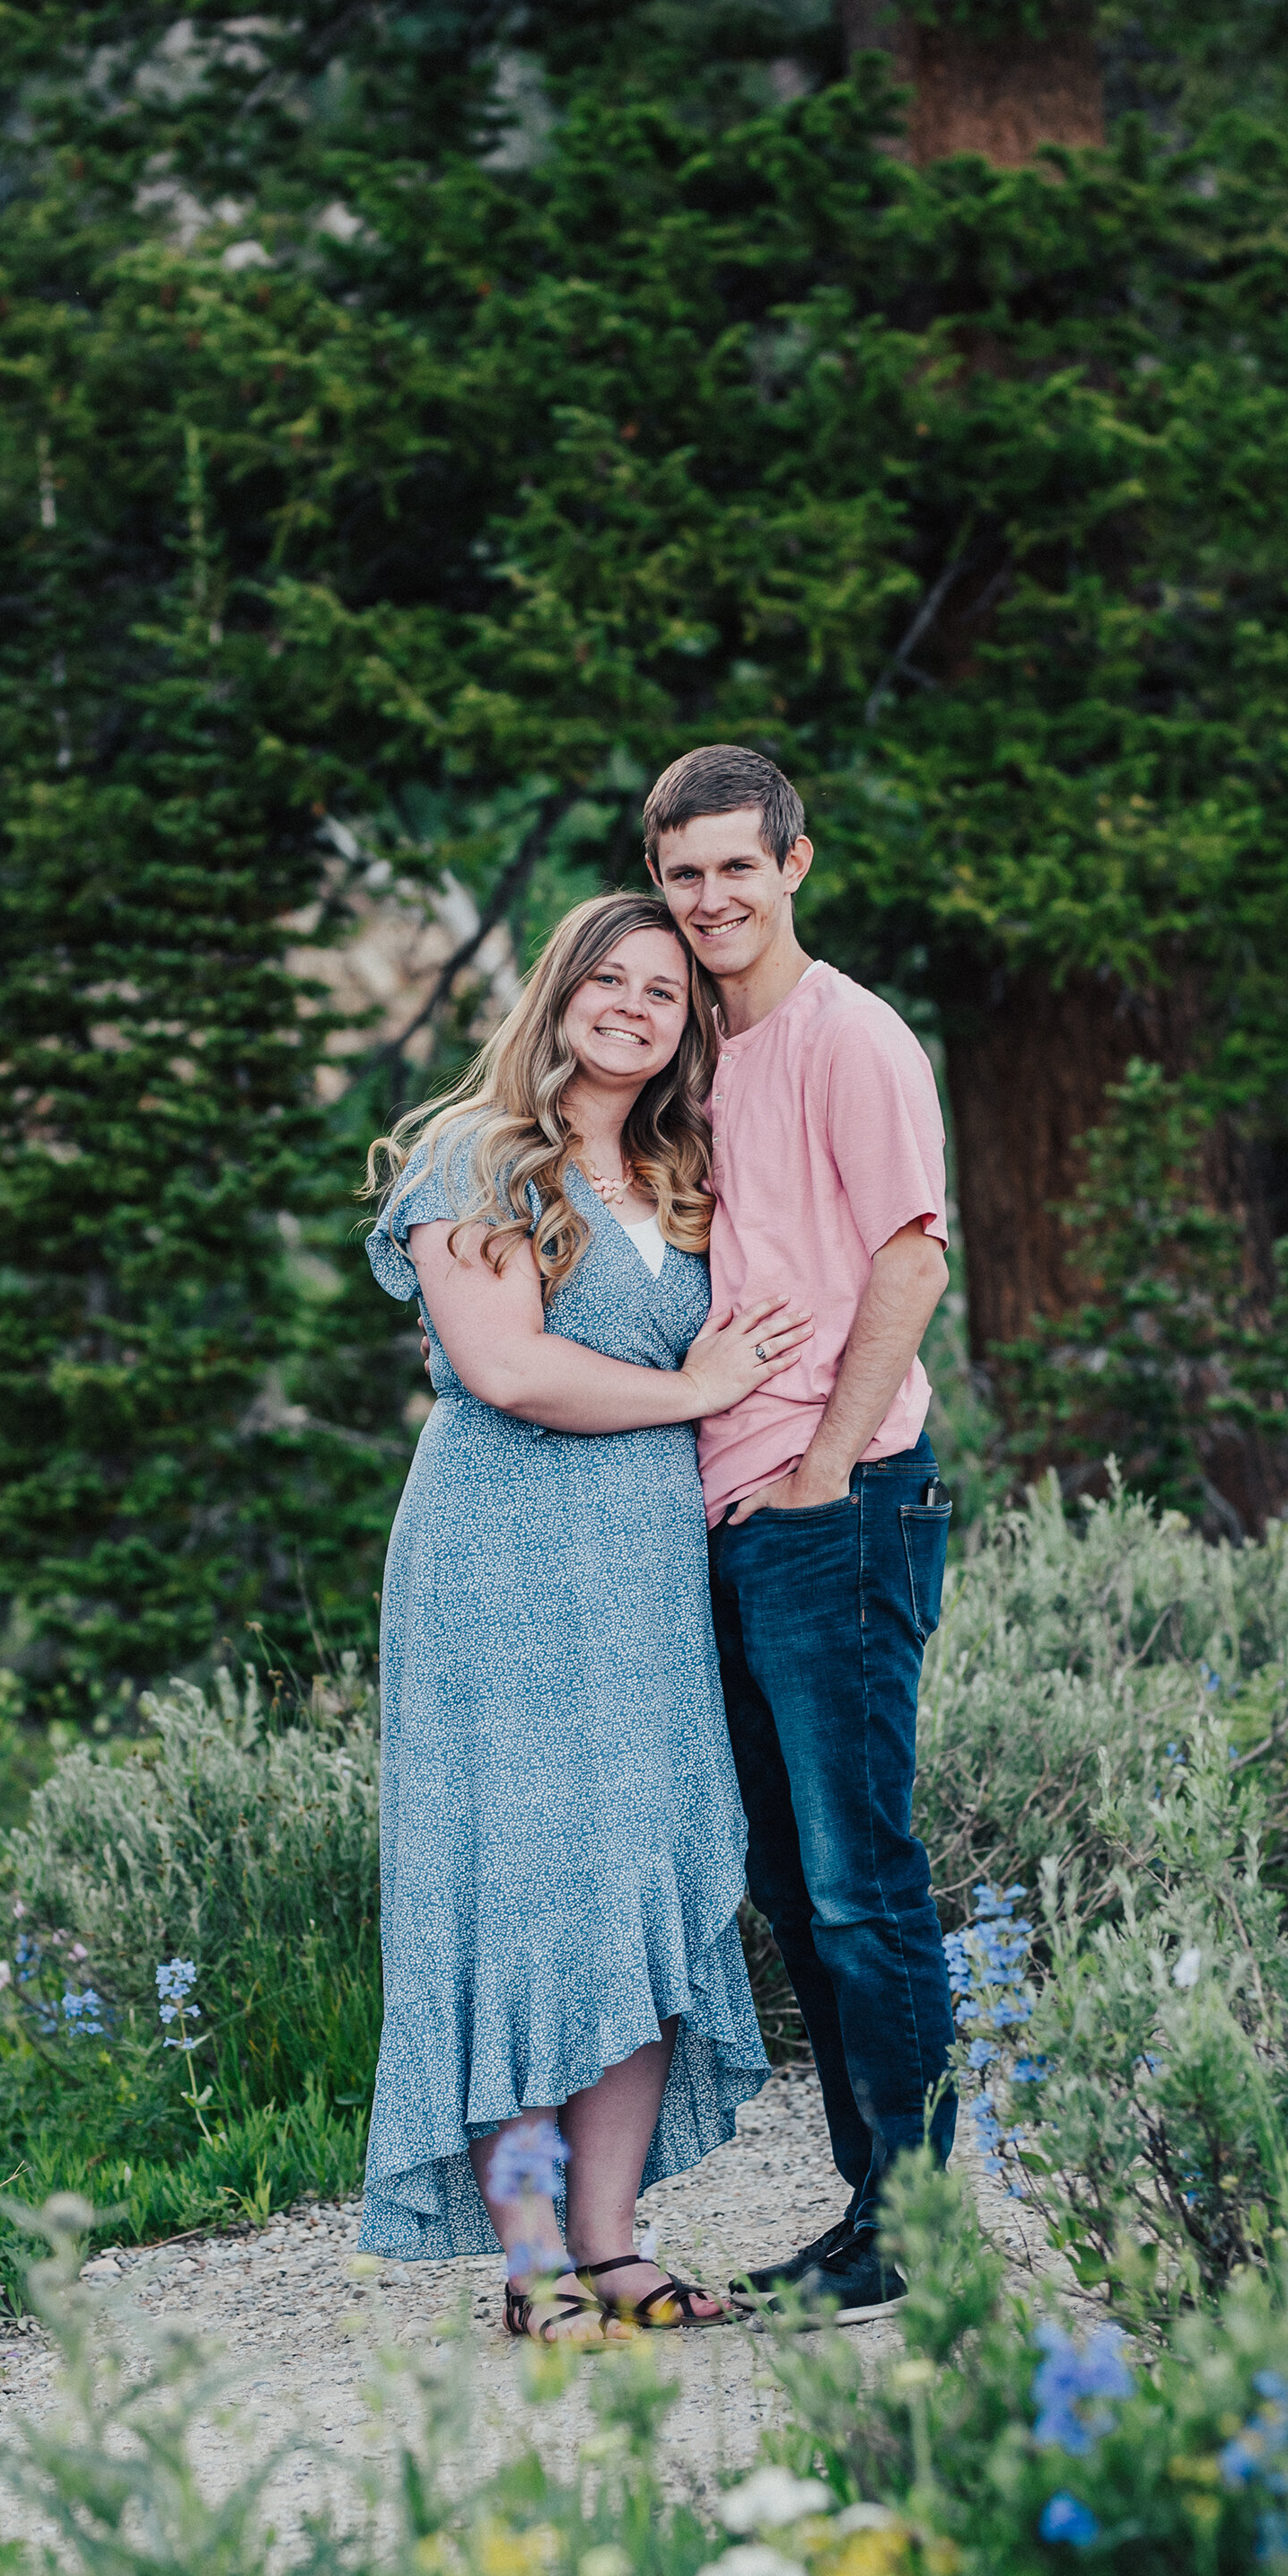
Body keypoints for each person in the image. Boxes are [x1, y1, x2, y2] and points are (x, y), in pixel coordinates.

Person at [361, 892, 810, 2340]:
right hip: (498, 1559)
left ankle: (614, 2245)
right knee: (526, 1893)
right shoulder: (474, 1157)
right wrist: (695, 1389)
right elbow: (508, 1369)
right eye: (607, 979)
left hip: (644, 1572)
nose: (632, 1006)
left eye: (663, 992)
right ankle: (533, 2263)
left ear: (688, 1027)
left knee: (643, 1881)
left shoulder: (685, 1172)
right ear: (557, 994)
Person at [644, 744, 955, 2322]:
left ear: (794, 865)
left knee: (857, 1878)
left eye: (736, 868)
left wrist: (828, 1465)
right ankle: (867, 2213)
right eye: (683, 874)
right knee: (788, 1879)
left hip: (840, 1503)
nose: (711, 899)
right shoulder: (699, 1051)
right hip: (729, 1514)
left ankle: (918, 2233)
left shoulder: (851, 1035)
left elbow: (913, 1257)